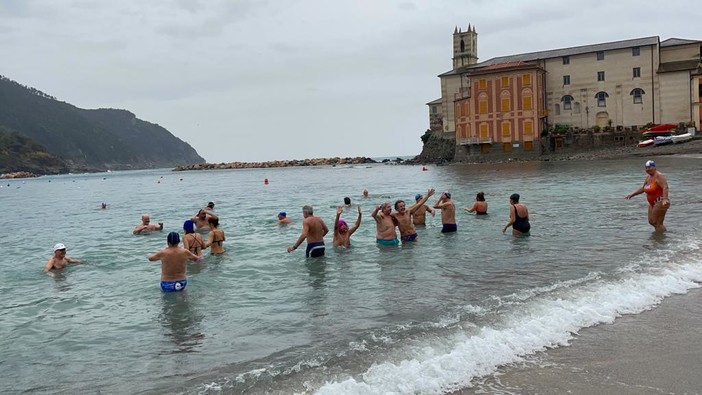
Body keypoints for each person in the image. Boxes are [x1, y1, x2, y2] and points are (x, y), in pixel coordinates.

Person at [626, 160, 670, 232]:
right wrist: (632, 194)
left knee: (657, 222)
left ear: (654, 167)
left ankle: (662, 239)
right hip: (652, 203)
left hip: (661, 201)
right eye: (646, 168)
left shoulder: (659, 175)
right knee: (652, 222)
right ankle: (660, 237)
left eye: (649, 167)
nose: (647, 169)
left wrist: (665, 199)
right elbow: (643, 188)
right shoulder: (648, 177)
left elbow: (665, 187)